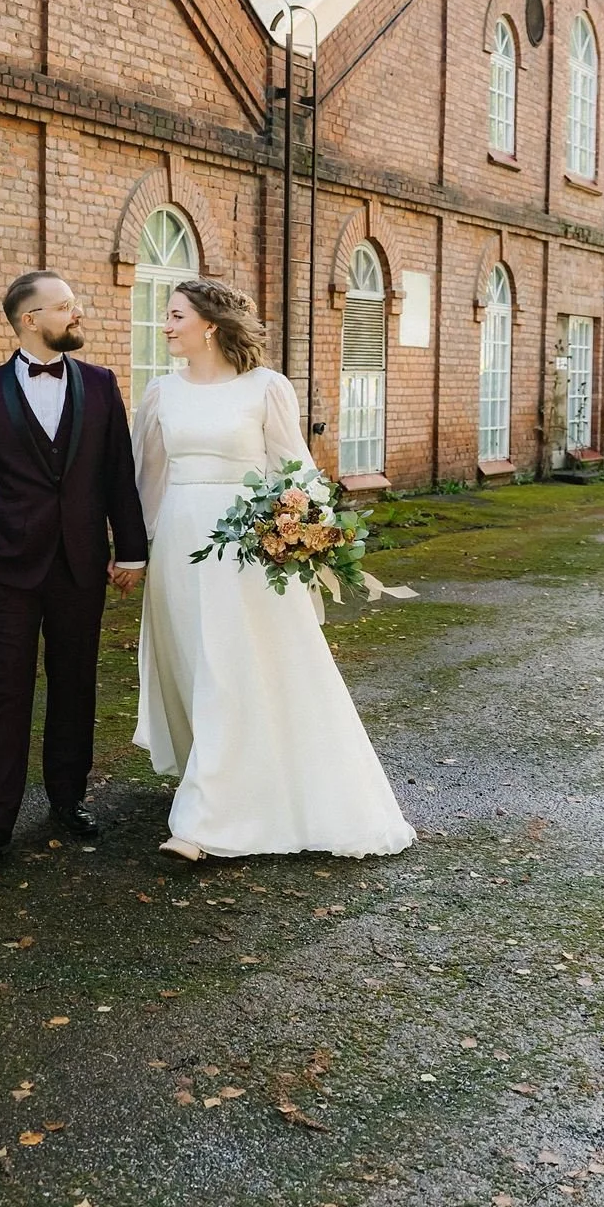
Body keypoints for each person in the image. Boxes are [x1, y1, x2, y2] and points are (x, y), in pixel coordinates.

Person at [131, 278, 415, 861]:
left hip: (244, 545)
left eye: (175, 315)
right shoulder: (161, 392)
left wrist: (309, 533)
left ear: (209, 324)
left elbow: (295, 469)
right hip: (179, 547)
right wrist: (136, 548)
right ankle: (222, 778)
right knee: (190, 663)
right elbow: (148, 478)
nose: (166, 326)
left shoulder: (266, 388)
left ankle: (205, 821)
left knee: (231, 666)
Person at [0, 270, 148, 866]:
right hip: (6, 568)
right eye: (64, 306)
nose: (76, 314)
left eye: (74, 304)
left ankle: (67, 798)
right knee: (4, 692)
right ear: (30, 320)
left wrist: (130, 550)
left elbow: (118, 477)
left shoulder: (102, 386)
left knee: (75, 685)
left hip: (81, 566)